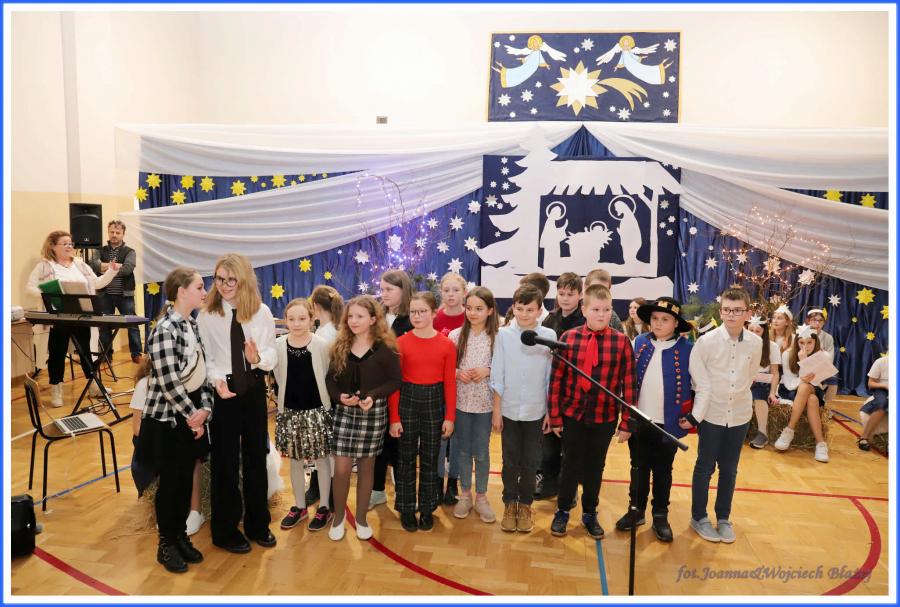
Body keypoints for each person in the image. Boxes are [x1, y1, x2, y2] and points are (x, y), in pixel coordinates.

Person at [197, 253, 277, 554]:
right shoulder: (207, 315)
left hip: (253, 387)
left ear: (244, 280)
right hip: (224, 392)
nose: (225, 285)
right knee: (225, 462)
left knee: (256, 456)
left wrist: (258, 358)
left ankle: (258, 524)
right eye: (220, 279)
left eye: (232, 279)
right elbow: (206, 358)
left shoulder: (261, 312)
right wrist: (217, 380)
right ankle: (225, 531)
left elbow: (271, 352)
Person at [139, 267, 212, 573]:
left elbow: (203, 374)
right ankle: (166, 544)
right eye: (199, 287)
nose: (204, 292)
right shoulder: (164, 330)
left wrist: (205, 409)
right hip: (168, 419)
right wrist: (193, 416)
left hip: (190, 416)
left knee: (184, 481)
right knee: (169, 484)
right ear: (182, 292)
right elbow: (169, 383)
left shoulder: (192, 326)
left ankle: (180, 536)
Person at [547, 284, 635, 540]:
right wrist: (555, 416)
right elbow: (556, 380)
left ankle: (589, 512)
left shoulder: (621, 342)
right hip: (572, 414)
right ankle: (563, 510)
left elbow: (629, 384)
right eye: (596, 309)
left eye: (606, 310)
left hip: (604, 417)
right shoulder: (568, 338)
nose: (601, 314)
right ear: (584, 310)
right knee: (569, 464)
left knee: (596, 467)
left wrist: (627, 422)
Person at [681, 286, 762, 544]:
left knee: (729, 468)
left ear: (747, 313)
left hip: (739, 414)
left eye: (737, 311)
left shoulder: (756, 343)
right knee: (705, 466)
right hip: (712, 414)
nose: (731, 315)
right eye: (727, 310)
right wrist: (697, 414)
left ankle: (724, 518)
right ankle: (699, 517)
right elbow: (699, 382)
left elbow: (750, 375)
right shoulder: (706, 342)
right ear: (721, 310)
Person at [614, 297, 693, 543]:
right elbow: (627, 380)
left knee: (663, 470)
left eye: (665, 319)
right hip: (640, 420)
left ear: (676, 323)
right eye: (655, 318)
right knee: (637, 467)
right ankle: (636, 510)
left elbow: (698, 385)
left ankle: (660, 515)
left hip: (668, 424)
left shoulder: (688, 349)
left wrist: (692, 417)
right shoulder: (639, 342)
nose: (658, 323)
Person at [325, 295, 402, 541]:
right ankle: (338, 518)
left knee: (367, 467)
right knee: (342, 468)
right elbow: (330, 380)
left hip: (373, 413)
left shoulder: (385, 348)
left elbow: (395, 380)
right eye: (350, 316)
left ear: (373, 319)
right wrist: (339, 397)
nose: (354, 320)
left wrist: (373, 396)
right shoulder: (340, 345)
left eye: (360, 316)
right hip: (345, 413)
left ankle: (360, 519)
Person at [25, 230, 119, 407]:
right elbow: (30, 288)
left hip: (81, 316)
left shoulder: (80, 264)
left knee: (86, 353)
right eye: (65, 243)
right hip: (58, 318)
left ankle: (93, 386)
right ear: (53, 246)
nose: (69, 246)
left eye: (71, 243)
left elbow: (97, 283)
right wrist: (50, 295)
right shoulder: (44, 266)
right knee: (57, 353)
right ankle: (56, 389)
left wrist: (111, 272)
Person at [389, 292, 457, 532]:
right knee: (405, 458)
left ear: (434, 312)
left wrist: (450, 417)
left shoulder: (446, 345)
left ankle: (427, 508)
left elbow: (450, 383)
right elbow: (395, 384)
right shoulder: (400, 343)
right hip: (407, 400)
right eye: (413, 312)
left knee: (430, 458)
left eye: (422, 311)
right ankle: (407, 508)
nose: (417, 316)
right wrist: (394, 418)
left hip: (434, 401)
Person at [491, 284, 555, 533]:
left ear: (539, 310)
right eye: (520, 309)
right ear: (513, 308)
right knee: (509, 460)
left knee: (531, 461)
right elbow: (497, 373)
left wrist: (549, 411)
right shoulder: (503, 335)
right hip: (508, 408)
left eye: (530, 309)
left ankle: (526, 505)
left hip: (536, 410)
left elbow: (550, 376)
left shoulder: (548, 335)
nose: (524, 314)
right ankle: (510, 503)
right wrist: (497, 410)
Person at [274, 298, 335, 532]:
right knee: (295, 460)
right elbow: (277, 375)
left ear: (311, 319)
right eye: (291, 319)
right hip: (290, 412)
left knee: (322, 459)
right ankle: (300, 506)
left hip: (317, 411)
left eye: (302, 319)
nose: (297, 323)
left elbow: (327, 373)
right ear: (286, 320)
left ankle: (325, 506)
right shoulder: (278, 345)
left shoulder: (321, 345)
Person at [130, 356, 206, 536]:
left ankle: (195, 510)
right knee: (168, 458)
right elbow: (137, 428)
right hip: (155, 437)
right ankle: (168, 512)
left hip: (179, 434)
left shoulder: (188, 383)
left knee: (192, 456)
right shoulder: (144, 385)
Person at [449, 287, 499, 523]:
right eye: (469, 308)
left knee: (481, 451)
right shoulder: (455, 336)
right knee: (462, 450)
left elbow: (503, 368)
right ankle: (465, 494)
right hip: (460, 403)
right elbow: (446, 367)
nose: (473, 313)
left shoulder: (497, 337)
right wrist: (457, 372)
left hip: (485, 405)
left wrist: (487, 370)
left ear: (490, 310)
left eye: (479, 308)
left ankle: (481, 496)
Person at [536, 271, 585, 501]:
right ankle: (549, 483)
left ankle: (569, 488)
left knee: (571, 444)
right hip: (552, 385)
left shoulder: (584, 320)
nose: (565, 298)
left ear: (580, 295)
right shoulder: (550, 319)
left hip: (575, 389)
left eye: (570, 294)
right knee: (549, 443)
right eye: (562, 293)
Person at [370, 269, 414, 511]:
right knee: (377, 443)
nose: (384, 294)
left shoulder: (410, 319)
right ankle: (377, 491)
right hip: (377, 390)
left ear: (403, 290)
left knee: (399, 443)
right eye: (382, 289)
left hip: (402, 390)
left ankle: (402, 491)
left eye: (389, 289)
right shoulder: (376, 317)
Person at [305, 285, 344, 507]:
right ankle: (320, 488)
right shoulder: (332, 329)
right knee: (325, 448)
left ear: (316, 307)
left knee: (322, 448)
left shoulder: (323, 334)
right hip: (330, 395)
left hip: (322, 396)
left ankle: (322, 492)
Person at [433, 272, 467, 505]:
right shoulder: (435, 318)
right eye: (446, 290)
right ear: (441, 293)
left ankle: (453, 481)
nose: (451, 295)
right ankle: (437, 481)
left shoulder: (470, 316)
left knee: (457, 439)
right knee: (440, 436)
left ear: (464, 292)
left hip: (464, 387)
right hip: (439, 385)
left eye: (456, 290)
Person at [772, 324, 829, 462]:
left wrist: (804, 362)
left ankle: (789, 430)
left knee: (805, 388)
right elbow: (789, 381)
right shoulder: (787, 354)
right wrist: (802, 378)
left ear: (815, 342)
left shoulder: (824, 355)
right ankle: (821, 443)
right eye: (801, 342)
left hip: (814, 387)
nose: (805, 346)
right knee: (812, 399)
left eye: (809, 342)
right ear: (796, 342)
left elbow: (818, 381)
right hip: (791, 388)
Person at [91, 220, 143, 363]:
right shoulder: (99, 250)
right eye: (112, 232)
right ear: (108, 232)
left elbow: (128, 269)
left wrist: (105, 268)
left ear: (123, 234)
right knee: (104, 326)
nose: (114, 235)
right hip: (104, 294)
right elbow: (94, 265)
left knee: (132, 324)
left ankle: (136, 354)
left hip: (124, 295)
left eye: (117, 232)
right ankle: (106, 355)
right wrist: (115, 266)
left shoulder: (130, 251)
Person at [746, 314, 782, 449]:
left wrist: (772, 392)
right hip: (745, 380)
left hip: (762, 382)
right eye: (751, 330)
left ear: (764, 332)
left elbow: (775, 373)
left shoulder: (772, 347)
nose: (754, 334)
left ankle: (763, 433)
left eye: (758, 331)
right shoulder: (741, 344)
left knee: (758, 396)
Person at [806, 308, 839, 404]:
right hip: (804, 367)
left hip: (820, 368)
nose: (817, 323)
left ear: (824, 322)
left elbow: (829, 359)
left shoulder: (828, 338)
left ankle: (825, 405)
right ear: (808, 321)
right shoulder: (801, 334)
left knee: (833, 379)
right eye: (814, 320)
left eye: (820, 320)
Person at [858, 355, 889, 451]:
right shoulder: (881, 361)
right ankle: (864, 437)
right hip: (882, 389)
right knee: (882, 404)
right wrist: (885, 386)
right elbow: (870, 383)